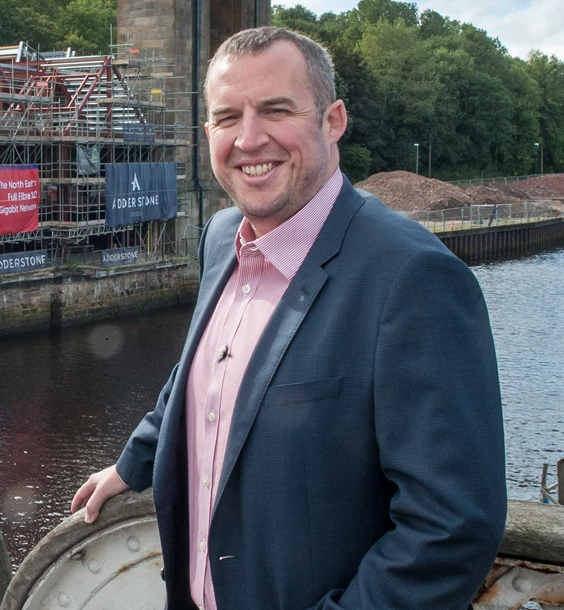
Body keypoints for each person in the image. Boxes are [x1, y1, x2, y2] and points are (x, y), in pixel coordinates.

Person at [71, 26, 505, 610]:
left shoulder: (411, 277)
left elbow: (453, 527)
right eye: (228, 118)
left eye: (276, 110)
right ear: (208, 135)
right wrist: (134, 462)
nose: (249, 139)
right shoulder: (222, 237)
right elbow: (203, 367)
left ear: (332, 121)